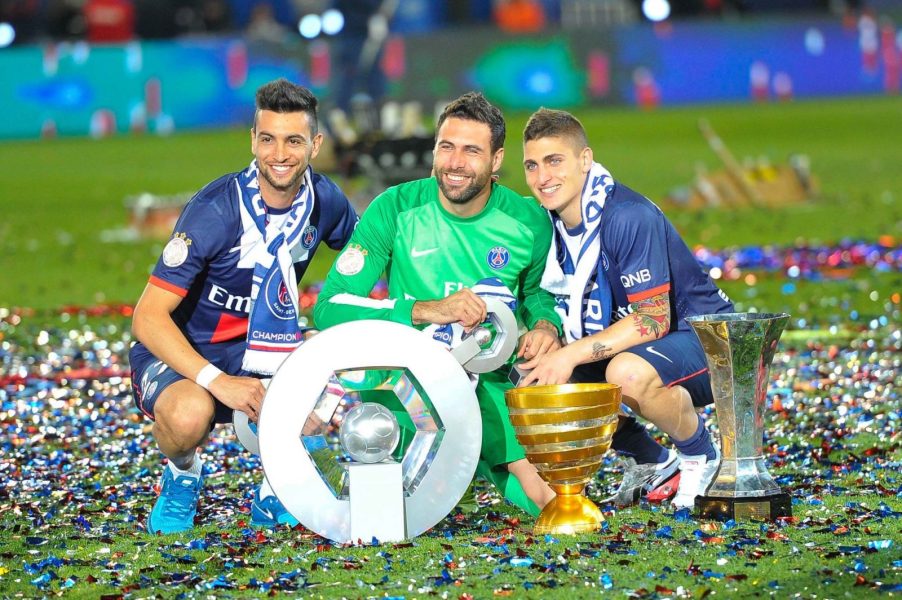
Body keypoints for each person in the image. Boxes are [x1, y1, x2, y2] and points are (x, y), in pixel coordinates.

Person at [314, 92, 562, 516]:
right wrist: (428, 309)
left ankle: (483, 459)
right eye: (446, 147)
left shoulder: (528, 221)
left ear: (496, 159)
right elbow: (329, 307)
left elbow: (539, 294)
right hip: (406, 389)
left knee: (552, 502)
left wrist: (545, 326)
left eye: (471, 151)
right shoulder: (396, 208)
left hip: (490, 383)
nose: (455, 162)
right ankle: (467, 463)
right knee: (407, 511)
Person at [129, 79, 358, 534]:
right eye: (268, 139)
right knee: (188, 417)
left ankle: (276, 491)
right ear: (253, 140)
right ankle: (182, 475)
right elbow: (147, 318)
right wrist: (219, 382)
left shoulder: (324, 201)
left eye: (294, 141)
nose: (279, 154)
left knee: (322, 386)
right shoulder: (215, 211)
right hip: (188, 352)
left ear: (315, 145)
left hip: (264, 348)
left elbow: (370, 251)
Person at [518, 108, 735, 509]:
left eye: (554, 161)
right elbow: (543, 294)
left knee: (626, 374)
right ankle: (652, 459)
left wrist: (571, 354)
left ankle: (702, 457)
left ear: (585, 160)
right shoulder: (550, 223)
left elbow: (653, 319)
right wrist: (547, 333)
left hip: (705, 339)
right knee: (535, 376)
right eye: (532, 165)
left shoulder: (627, 216)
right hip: (642, 343)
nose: (542, 177)